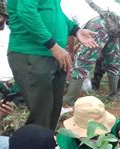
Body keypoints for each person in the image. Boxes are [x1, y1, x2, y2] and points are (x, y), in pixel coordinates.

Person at [7, 0, 98, 130]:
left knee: (53, 110)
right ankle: (34, 147)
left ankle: (47, 143)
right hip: (32, 53)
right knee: (41, 114)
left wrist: (75, 30)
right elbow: (26, 12)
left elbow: (54, 11)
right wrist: (53, 46)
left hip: (54, 54)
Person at [61, 0, 120, 108]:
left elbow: (70, 33)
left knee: (82, 62)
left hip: (97, 25)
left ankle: (69, 99)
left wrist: (71, 51)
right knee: (112, 59)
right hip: (113, 23)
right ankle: (113, 94)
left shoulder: (63, 4)